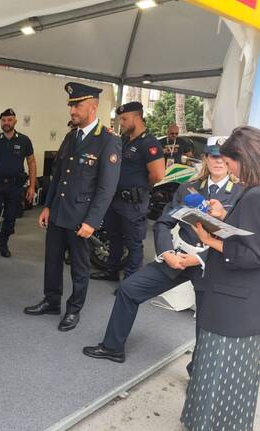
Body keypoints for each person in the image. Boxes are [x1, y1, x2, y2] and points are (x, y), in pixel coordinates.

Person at [82, 141, 242, 363]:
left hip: (210, 263)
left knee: (206, 321)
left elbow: (239, 241)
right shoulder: (189, 188)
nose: (218, 161)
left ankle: (197, 373)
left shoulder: (242, 194)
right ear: (206, 158)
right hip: (178, 257)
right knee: (129, 289)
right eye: (213, 156)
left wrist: (198, 259)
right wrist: (166, 252)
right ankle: (112, 347)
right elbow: (162, 224)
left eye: (224, 157)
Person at [24, 82, 121, 331]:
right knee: (52, 260)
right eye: (71, 106)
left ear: (93, 107)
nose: (72, 111)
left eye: (77, 105)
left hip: (81, 218)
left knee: (79, 267)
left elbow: (106, 188)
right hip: (58, 212)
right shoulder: (71, 136)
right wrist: (47, 206)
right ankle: (51, 300)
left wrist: (92, 221)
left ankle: (73, 309)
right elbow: (58, 176)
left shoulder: (107, 141)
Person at [181, 126, 260, 431]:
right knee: (229, 377)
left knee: (218, 374)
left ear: (245, 157)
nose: (229, 169)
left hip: (233, 304)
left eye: (230, 162)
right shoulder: (252, 193)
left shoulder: (254, 195)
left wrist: (207, 236)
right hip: (241, 303)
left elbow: (252, 253)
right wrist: (223, 219)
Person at [91, 102, 165, 283]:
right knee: (114, 237)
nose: (121, 123)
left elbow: (157, 175)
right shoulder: (124, 141)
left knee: (133, 243)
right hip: (115, 199)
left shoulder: (149, 143)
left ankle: (131, 281)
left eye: (124, 119)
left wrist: (138, 187)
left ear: (137, 118)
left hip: (133, 202)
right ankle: (112, 271)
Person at [0, 108, 37, 257]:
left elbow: (31, 162)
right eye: (3, 120)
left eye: (9, 120)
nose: (6, 123)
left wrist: (32, 186)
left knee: (10, 218)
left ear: (15, 121)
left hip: (15, 186)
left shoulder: (24, 140)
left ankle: (3, 245)